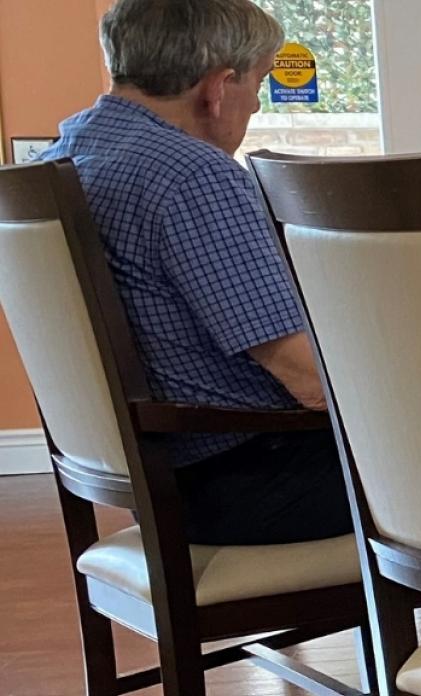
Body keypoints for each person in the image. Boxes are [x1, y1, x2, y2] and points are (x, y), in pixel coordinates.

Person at [42, 0, 351, 544]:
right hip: (245, 482)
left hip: (160, 479)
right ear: (218, 86)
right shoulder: (190, 175)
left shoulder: (65, 151)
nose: (255, 104)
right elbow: (308, 381)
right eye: (257, 84)